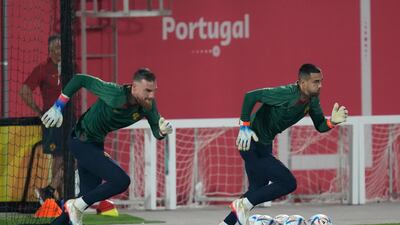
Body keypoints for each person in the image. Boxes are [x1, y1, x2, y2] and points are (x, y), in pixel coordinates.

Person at [220, 63, 348, 225]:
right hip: (250, 142)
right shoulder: (286, 93)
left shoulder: (312, 100)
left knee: (257, 189)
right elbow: (251, 96)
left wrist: (332, 122)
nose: (320, 85)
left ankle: (226, 223)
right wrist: (244, 126)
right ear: (302, 83)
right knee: (288, 182)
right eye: (315, 82)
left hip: (264, 146)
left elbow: (320, 125)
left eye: (321, 81)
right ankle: (243, 204)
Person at [41, 68, 173, 225]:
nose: (151, 95)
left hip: (95, 145)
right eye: (148, 90)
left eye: (154, 91)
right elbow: (79, 79)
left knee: (87, 195)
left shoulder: (149, 105)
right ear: (134, 87)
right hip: (80, 141)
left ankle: (71, 211)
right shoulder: (114, 93)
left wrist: (163, 131)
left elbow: (157, 132)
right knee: (121, 181)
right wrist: (58, 106)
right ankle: (75, 206)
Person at [19, 34, 65, 203]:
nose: (57, 52)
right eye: (53, 49)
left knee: (71, 157)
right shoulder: (42, 69)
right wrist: (39, 112)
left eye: (60, 48)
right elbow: (24, 91)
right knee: (59, 158)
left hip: (71, 119)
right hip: (53, 121)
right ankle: (60, 199)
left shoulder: (72, 66)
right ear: (49, 51)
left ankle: (50, 190)